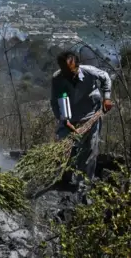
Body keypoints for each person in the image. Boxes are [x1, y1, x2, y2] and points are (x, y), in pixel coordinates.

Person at [50, 50, 113, 181]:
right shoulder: (58, 79)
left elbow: (106, 77)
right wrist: (64, 119)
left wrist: (107, 97)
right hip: (70, 118)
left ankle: (84, 182)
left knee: (90, 149)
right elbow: (58, 100)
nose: (69, 76)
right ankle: (63, 179)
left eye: (71, 72)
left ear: (78, 66)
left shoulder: (89, 71)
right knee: (64, 149)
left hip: (91, 114)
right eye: (65, 72)